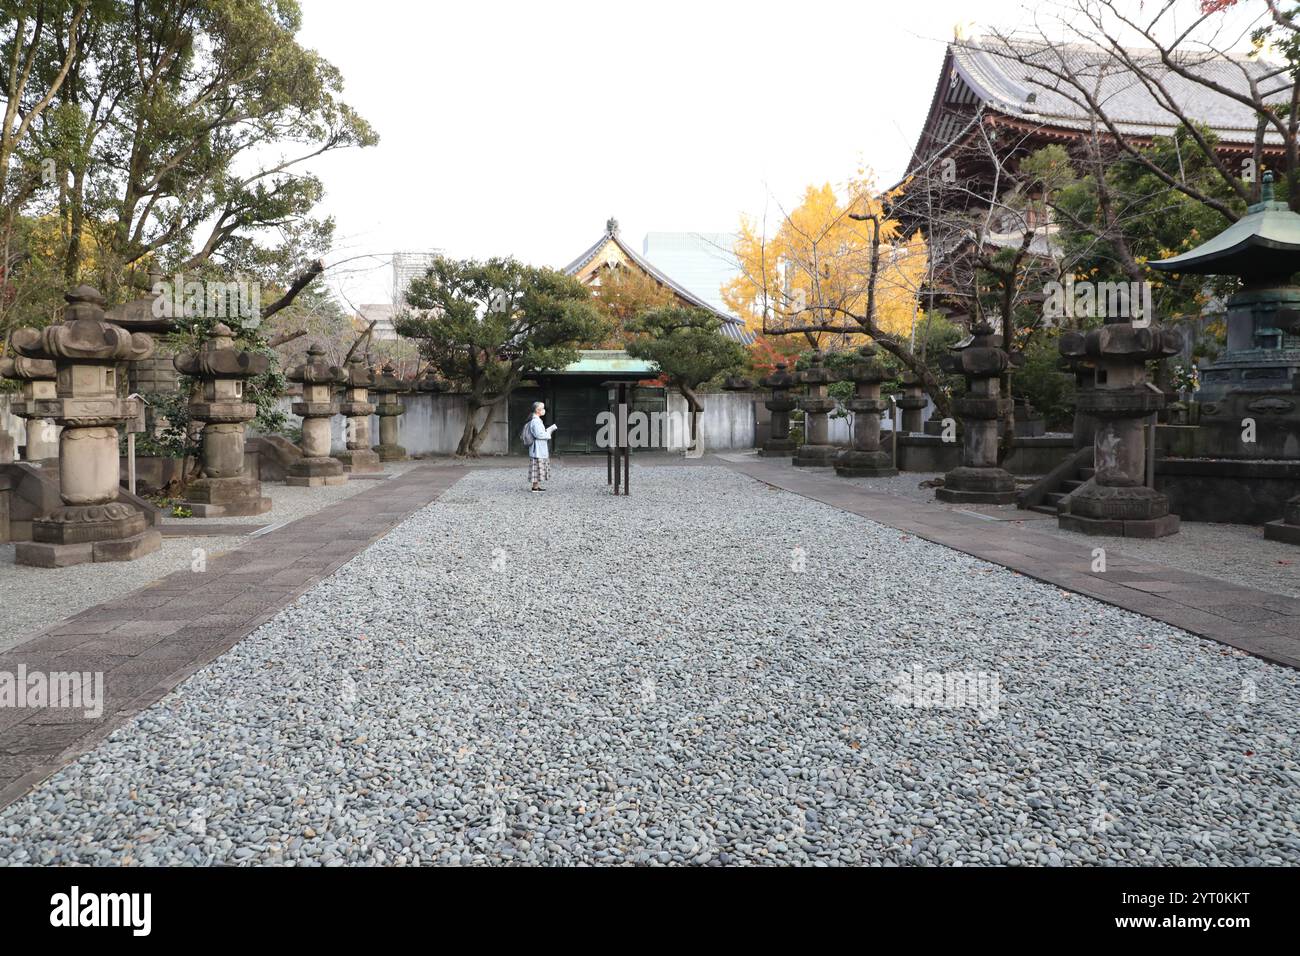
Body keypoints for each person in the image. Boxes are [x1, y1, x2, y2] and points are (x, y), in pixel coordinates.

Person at [526, 401, 557, 492]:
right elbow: (538, 435)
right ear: (537, 410)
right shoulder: (535, 421)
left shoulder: (536, 420)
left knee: (536, 468)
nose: (543, 410)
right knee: (537, 467)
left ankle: (535, 486)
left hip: (538, 448)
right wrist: (548, 433)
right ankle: (535, 487)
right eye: (542, 408)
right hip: (537, 449)